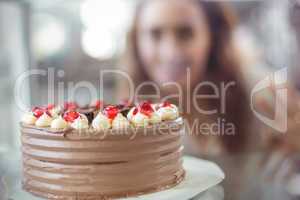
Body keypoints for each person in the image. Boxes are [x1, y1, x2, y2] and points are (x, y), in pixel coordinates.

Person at [117, 0, 300, 199]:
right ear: (137, 41)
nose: (170, 52)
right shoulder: (132, 111)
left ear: (212, 37)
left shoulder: (259, 92)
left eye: (186, 33)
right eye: (155, 34)